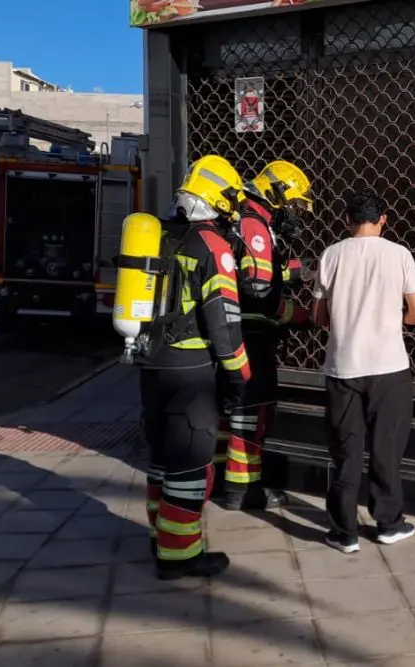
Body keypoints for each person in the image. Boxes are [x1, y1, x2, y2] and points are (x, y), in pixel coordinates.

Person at [139, 155, 251, 580]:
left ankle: (161, 535)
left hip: (152, 365)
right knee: (189, 465)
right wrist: (239, 375)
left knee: (162, 458)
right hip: (190, 370)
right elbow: (223, 321)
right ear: (218, 200)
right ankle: (180, 556)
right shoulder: (213, 247)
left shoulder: (162, 236)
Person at [311, 188, 415, 554]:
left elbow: (318, 317)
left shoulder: (331, 255)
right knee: (386, 449)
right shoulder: (399, 255)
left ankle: (344, 532)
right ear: (384, 219)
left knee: (346, 451)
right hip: (390, 369)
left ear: (347, 220)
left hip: (343, 368)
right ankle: (389, 523)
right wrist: (394, 320)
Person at [214, 160, 314, 511]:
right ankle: (244, 490)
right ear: (277, 193)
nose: (293, 212)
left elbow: (259, 269)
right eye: (293, 203)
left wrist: (298, 271)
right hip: (252, 334)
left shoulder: (244, 219)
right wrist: (296, 314)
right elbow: (258, 288)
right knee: (252, 413)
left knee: (229, 411)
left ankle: (218, 481)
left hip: (232, 330)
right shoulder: (256, 224)